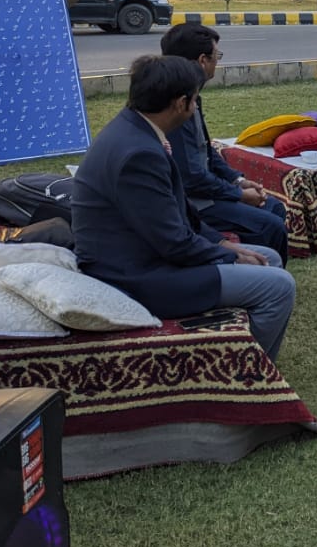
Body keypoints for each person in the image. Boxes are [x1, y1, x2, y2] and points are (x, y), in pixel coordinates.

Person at [72, 56, 296, 359]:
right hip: (136, 276)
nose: (195, 107)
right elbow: (173, 242)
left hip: (145, 256)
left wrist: (221, 244)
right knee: (278, 286)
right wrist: (226, 253)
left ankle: (238, 352)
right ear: (181, 103)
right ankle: (247, 376)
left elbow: (176, 215)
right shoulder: (139, 153)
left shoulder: (134, 129)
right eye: (194, 100)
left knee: (267, 257)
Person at [161, 23, 289, 263]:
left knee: (274, 207)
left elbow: (206, 151)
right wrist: (238, 195)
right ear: (202, 60)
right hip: (193, 202)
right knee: (270, 225)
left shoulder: (192, 97)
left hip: (208, 192)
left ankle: (264, 271)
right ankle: (259, 280)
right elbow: (192, 177)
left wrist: (237, 180)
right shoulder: (175, 107)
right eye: (216, 56)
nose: (217, 62)